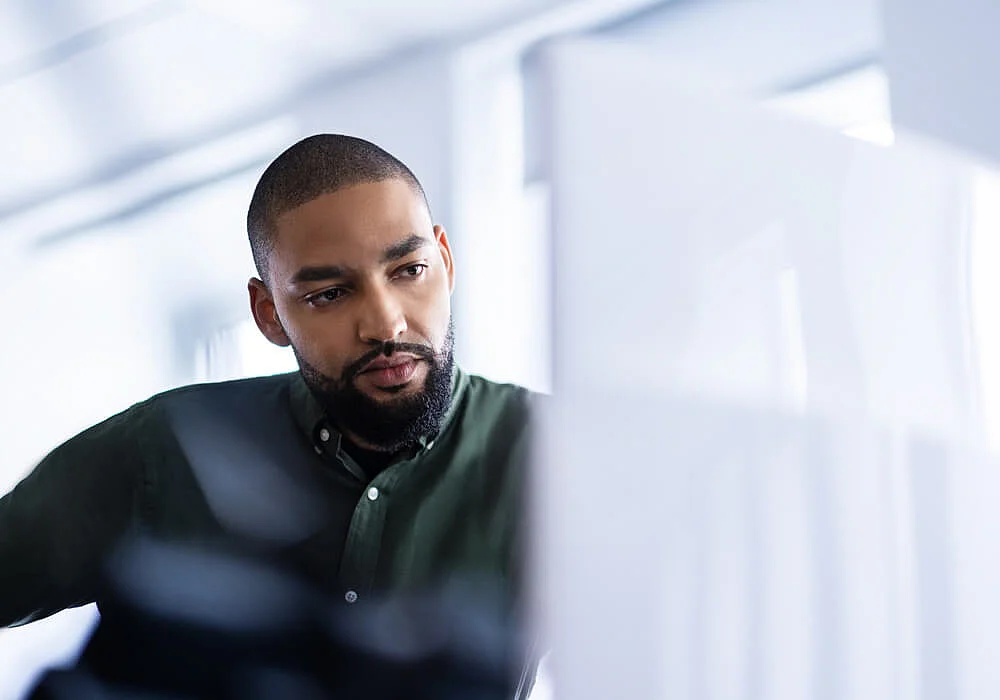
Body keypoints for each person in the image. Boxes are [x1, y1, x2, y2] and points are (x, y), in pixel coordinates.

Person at [0, 135, 535, 690]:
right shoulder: (162, 450)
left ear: (444, 261)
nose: (386, 323)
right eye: (329, 294)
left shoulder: (556, 453)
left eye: (409, 270)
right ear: (268, 313)